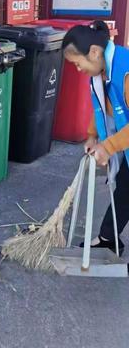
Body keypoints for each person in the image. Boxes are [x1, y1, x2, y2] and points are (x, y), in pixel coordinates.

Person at [62, 20, 129, 255]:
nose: (78, 70)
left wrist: (109, 146)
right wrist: (92, 136)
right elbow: (102, 107)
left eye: (78, 64)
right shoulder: (101, 72)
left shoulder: (125, 70)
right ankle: (108, 238)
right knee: (124, 188)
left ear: (93, 51)